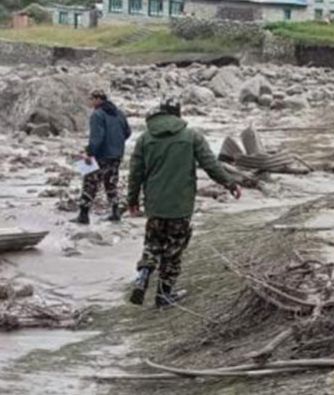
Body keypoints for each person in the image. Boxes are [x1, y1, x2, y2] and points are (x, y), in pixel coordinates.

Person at [126, 97, 241, 308]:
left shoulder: (144, 138)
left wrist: (132, 201)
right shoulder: (191, 136)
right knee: (173, 251)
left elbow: (135, 173)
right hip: (180, 206)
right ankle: (163, 295)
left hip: (155, 205)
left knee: (152, 244)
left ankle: (143, 276)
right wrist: (230, 183)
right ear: (178, 114)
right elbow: (211, 164)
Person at [72, 90, 131, 225]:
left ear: (98, 99)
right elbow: (128, 132)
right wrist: (116, 143)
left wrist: (89, 154)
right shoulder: (119, 113)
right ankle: (115, 212)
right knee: (111, 183)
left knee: (89, 183)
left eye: (91, 99)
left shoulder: (97, 115)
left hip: (101, 155)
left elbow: (97, 138)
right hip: (116, 155)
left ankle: (83, 215)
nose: (90, 102)